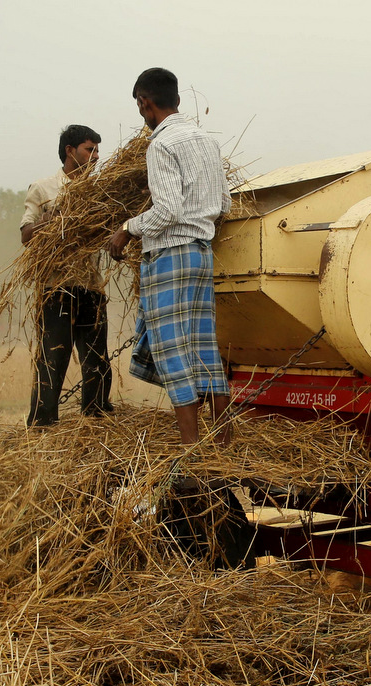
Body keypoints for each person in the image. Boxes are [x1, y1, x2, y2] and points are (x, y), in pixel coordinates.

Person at [106, 68, 234, 446]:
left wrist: (127, 228)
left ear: (146, 102)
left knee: (172, 349)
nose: (141, 115)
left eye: (139, 106)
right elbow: (224, 203)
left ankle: (192, 448)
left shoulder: (161, 145)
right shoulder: (206, 141)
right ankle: (224, 442)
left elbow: (166, 211)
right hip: (201, 255)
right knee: (203, 345)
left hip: (170, 255)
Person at [22, 123, 114, 427]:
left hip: (90, 286)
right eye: (90, 149)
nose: (96, 156)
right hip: (56, 287)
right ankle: (42, 424)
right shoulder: (44, 188)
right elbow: (26, 234)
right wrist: (50, 221)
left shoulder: (100, 191)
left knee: (97, 359)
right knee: (52, 358)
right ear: (70, 151)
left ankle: (96, 418)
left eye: (98, 150)